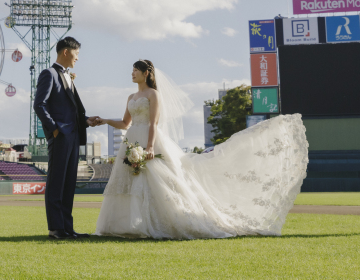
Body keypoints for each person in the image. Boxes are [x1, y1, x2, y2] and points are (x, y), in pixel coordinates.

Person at [93, 60, 308, 239]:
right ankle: (125, 226)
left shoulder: (153, 95)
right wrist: (103, 121)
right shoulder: (131, 97)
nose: (132, 73)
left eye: (136, 70)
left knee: (161, 182)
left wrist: (149, 147)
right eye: (132, 70)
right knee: (129, 182)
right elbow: (124, 123)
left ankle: (158, 224)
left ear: (146, 73)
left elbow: (153, 124)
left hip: (150, 140)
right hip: (131, 141)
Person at [33, 36, 99, 240]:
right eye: (76, 54)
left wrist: (86, 120)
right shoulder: (49, 74)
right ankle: (55, 229)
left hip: (73, 135)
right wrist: (54, 129)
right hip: (60, 135)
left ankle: (67, 229)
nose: (77, 58)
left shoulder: (68, 76)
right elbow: (39, 104)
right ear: (65, 52)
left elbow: (72, 110)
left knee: (69, 183)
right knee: (56, 183)